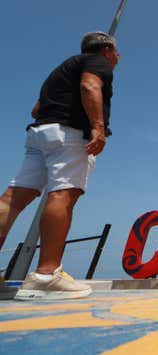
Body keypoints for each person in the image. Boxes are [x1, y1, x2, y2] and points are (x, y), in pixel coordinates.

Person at [0, 32, 119, 300]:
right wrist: (97, 127)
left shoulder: (61, 70)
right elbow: (90, 86)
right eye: (116, 54)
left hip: (40, 132)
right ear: (107, 50)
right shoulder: (95, 63)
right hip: (67, 135)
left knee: (14, 197)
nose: (117, 59)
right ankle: (46, 275)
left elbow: (36, 109)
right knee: (63, 193)